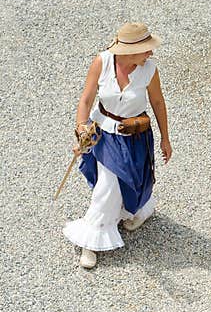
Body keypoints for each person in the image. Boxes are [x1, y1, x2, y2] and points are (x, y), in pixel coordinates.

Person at [63, 22, 172, 268]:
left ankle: (139, 210)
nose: (151, 53)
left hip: (134, 135)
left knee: (131, 181)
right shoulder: (102, 62)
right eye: (146, 49)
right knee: (108, 184)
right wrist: (81, 129)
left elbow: (158, 103)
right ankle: (92, 238)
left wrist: (165, 138)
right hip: (101, 133)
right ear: (129, 51)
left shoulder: (149, 70)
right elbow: (86, 100)